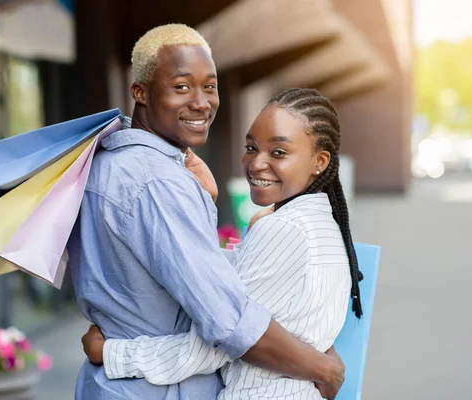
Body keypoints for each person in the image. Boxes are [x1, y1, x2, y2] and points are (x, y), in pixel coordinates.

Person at [67, 24, 345, 399]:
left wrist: (203, 203)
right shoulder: (159, 182)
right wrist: (322, 368)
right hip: (156, 389)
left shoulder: (107, 159)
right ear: (141, 92)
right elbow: (227, 323)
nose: (201, 102)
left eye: (209, 86)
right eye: (181, 87)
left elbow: (165, 272)